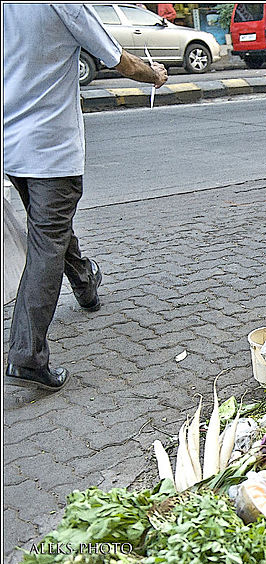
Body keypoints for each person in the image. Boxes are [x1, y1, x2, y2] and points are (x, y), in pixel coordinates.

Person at [3, 4, 168, 391]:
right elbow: (115, 56)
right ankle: (27, 355)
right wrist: (153, 75)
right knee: (48, 241)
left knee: (51, 228)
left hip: (11, 144)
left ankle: (84, 281)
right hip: (51, 148)